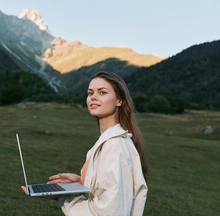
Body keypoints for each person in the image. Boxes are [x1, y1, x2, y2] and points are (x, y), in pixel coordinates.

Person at [22, 71, 148, 215]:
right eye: (90, 93)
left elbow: (110, 212)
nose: (93, 97)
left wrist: (63, 198)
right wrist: (83, 183)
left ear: (119, 100)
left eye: (102, 92)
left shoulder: (115, 147)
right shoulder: (108, 142)